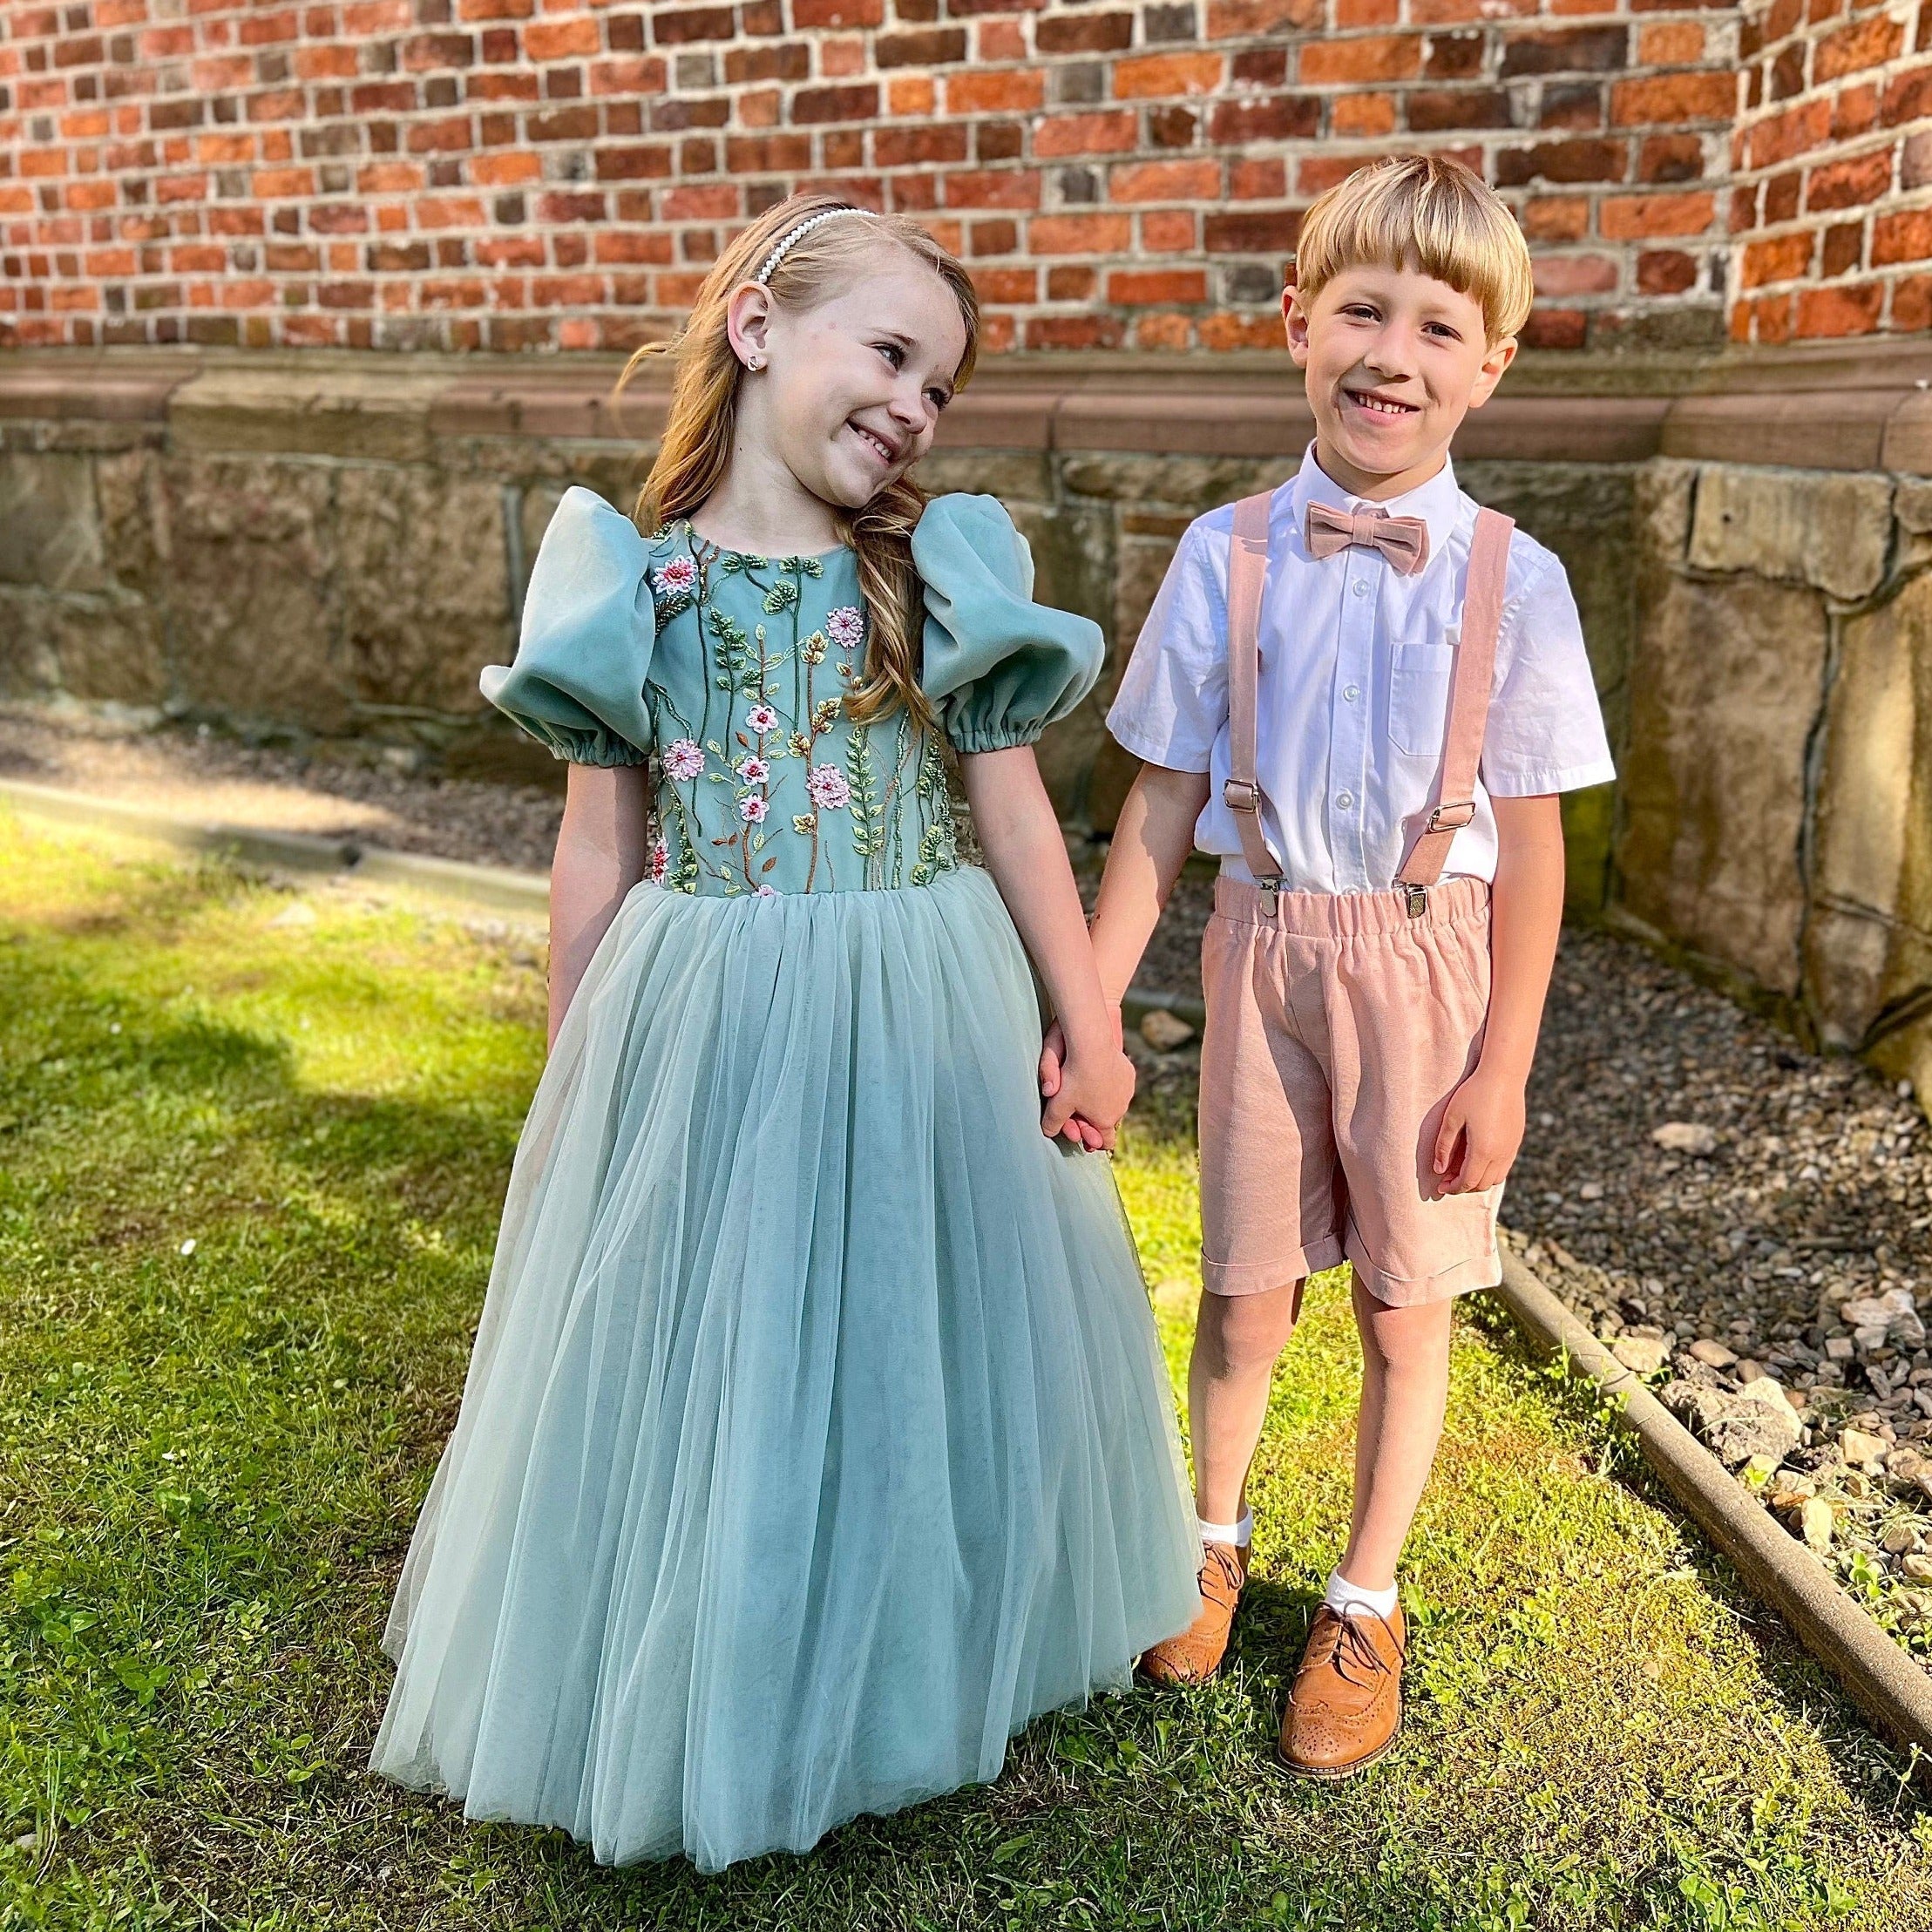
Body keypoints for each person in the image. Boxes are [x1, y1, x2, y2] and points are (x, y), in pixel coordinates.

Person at [368, 193, 1199, 1871]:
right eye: (889, 353)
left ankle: (919, 1643)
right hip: (716, 994)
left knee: (920, 1322)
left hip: (925, 996)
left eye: (941, 385)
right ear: (756, 328)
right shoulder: (634, 582)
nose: (911, 404)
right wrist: (578, 1065)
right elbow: (598, 844)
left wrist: (1089, 1021)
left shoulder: (931, 570)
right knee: (731, 1339)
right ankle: (734, 1657)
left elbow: (1022, 819)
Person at [1063, 154, 1615, 1778]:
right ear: (1299, 323)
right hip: (1265, 947)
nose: (1393, 353)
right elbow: (1156, 805)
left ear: (1489, 364)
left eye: (1438, 327)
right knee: (1243, 1289)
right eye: (1361, 311)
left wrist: (1502, 1064)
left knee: (1403, 1305)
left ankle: (1364, 1596)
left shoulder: (1517, 580)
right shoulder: (1223, 553)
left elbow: (1533, 849)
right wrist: (1093, 1006)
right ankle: (1207, 1534)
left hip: (1430, 974)